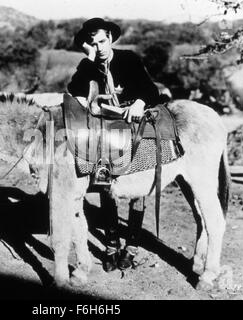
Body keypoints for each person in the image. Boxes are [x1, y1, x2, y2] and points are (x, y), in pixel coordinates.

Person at [67, 17, 162, 272]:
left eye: (102, 41)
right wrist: (88, 61)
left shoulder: (128, 59)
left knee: (138, 189)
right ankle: (111, 244)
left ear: (110, 38)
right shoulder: (88, 65)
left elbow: (151, 90)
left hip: (134, 124)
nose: (99, 47)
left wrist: (140, 102)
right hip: (106, 129)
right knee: (106, 184)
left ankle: (132, 246)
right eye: (92, 43)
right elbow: (73, 90)